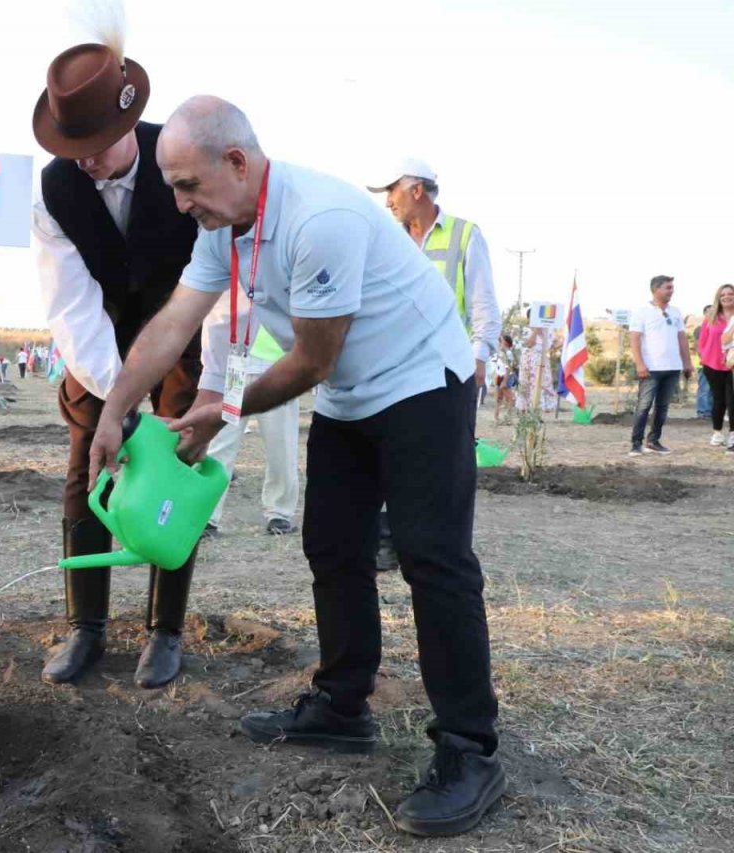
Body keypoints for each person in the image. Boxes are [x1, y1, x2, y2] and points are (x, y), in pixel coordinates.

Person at [88, 96, 503, 836]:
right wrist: (116, 406)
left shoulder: (319, 220)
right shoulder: (225, 226)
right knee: (333, 546)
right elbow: (177, 320)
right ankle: (344, 706)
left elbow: (313, 357)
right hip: (352, 393)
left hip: (422, 381)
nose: (180, 205)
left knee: (432, 555)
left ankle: (471, 747)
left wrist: (225, 408)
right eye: (173, 188)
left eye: (187, 185)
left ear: (238, 162)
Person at [32, 39, 203, 689]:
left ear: (131, 122)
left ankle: (164, 631)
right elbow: (71, 309)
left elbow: (216, 277)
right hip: (99, 350)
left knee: (176, 468)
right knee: (86, 471)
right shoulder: (53, 191)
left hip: (184, 336)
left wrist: (198, 388)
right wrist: (119, 403)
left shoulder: (179, 162)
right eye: (75, 148)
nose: (89, 161)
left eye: (101, 142)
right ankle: (87, 626)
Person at [367, 160, 501, 569]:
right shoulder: (387, 237)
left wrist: (479, 356)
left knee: (448, 465)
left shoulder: (464, 234)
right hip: (395, 367)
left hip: (448, 369)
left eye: (392, 190)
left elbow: (483, 304)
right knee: (391, 457)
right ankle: (390, 542)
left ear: (416, 190)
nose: (387, 200)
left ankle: (442, 546)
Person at [203, 321, 299, 537]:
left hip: (278, 365)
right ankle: (207, 514)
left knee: (281, 444)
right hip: (233, 364)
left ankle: (279, 512)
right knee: (220, 445)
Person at [628, 275, 692, 456]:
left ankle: (654, 441)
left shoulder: (676, 311)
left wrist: (687, 362)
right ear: (656, 289)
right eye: (668, 287)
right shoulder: (642, 311)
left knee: (663, 407)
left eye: (672, 287)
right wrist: (640, 363)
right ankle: (636, 444)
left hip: (672, 367)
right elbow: (634, 338)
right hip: (651, 368)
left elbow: (681, 338)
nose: (672, 291)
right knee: (644, 406)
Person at [697, 286, 734, 447]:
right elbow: (702, 341)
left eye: (730, 294)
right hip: (713, 365)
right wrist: (704, 357)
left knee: (732, 401)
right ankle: (717, 432)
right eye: (723, 294)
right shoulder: (711, 318)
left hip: (732, 365)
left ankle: (733, 434)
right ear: (718, 298)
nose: (726, 297)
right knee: (718, 400)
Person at [492, 334, 517, 421]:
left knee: (509, 398)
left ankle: (508, 417)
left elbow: (508, 368)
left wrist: (505, 381)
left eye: (501, 340)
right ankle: (496, 416)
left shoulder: (508, 353)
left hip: (505, 377)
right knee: (498, 398)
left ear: (506, 342)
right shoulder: (500, 353)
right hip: (499, 376)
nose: (499, 342)